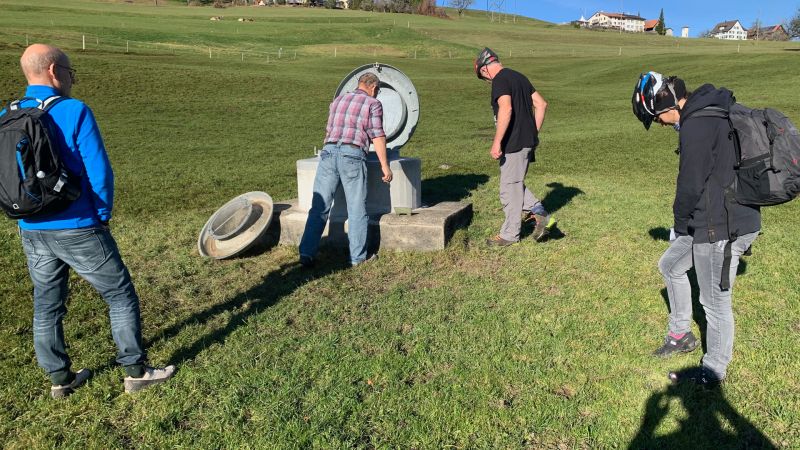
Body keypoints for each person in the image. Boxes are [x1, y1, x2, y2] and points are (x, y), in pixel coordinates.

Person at [8, 44, 175, 398]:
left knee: (47, 302)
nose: (71, 78)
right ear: (54, 71)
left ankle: (60, 379)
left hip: (31, 227)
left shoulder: (6, 115)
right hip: (78, 224)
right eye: (69, 72)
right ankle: (135, 370)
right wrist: (101, 215)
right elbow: (99, 171)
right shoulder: (74, 110)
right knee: (118, 294)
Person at [632, 71, 761, 385]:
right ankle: (680, 335)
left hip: (723, 226)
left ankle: (714, 370)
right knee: (671, 264)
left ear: (666, 105)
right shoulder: (707, 112)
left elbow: (689, 185)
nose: (661, 124)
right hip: (711, 218)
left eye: (657, 118)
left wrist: (678, 225)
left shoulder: (697, 124)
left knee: (715, 302)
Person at [299, 72, 392, 267]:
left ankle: (306, 253)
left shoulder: (339, 99)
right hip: (352, 154)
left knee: (319, 206)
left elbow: (329, 129)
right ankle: (358, 258)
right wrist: (385, 166)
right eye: (377, 91)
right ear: (373, 87)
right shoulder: (372, 104)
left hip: (328, 153)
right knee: (356, 208)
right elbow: (377, 136)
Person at [473, 47, 555, 247]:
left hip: (513, 142)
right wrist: (532, 132)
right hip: (526, 141)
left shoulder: (500, 79)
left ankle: (510, 235)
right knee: (514, 183)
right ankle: (540, 213)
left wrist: (497, 142)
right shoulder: (519, 77)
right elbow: (541, 104)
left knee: (508, 189)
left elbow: (506, 108)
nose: (488, 82)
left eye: (484, 78)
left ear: (484, 70)